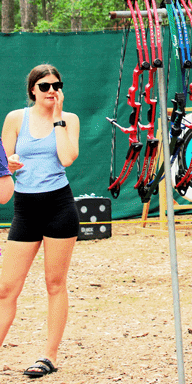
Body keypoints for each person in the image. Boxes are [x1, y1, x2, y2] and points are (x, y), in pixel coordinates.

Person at [0, 64, 79, 378]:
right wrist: (12, 164)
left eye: (56, 85)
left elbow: (66, 158)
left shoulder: (68, 119)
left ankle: (49, 355)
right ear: (32, 89)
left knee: (54, 283)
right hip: (25, 209)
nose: (51, 91)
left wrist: (58, 117)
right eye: (44, 86)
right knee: (6, 289)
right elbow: (3, 164)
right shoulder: (16, 118)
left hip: (59, 206)